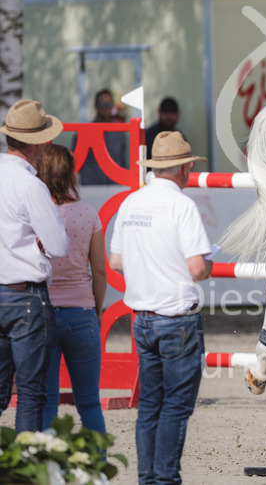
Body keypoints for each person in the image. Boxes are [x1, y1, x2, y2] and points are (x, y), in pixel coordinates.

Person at [109, 131, 213, 485]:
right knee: (176, 407)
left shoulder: (131, 202)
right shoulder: (181, 206)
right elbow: (198, 267)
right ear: (184, 168)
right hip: (176, 319)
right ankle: (165, 479)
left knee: (150, 405)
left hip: (142, 318)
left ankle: (147, 478)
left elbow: (117, 261)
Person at [0, 99, 69, 432]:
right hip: (26, 297)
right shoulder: (31, 186)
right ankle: (25, 476)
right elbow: (58, 246)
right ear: (39, 143)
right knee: (30, 393)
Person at [36, 144, 107, 433]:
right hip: (81, 312)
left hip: (43, 314)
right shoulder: (88, 213)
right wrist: (97, 309)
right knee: (89, 402)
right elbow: (99, 271)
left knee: (47, 401)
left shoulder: (35, 215)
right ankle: (99, 468)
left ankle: (46, 466)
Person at [76, 88, 129, 185]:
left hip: (114, 187)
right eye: (102, 104)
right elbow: (75, 163)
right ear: (95, 105)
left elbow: (123, 162)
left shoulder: (120, 133)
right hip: (91, 188)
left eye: (109, 104)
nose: (105, 108)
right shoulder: (84, 132)